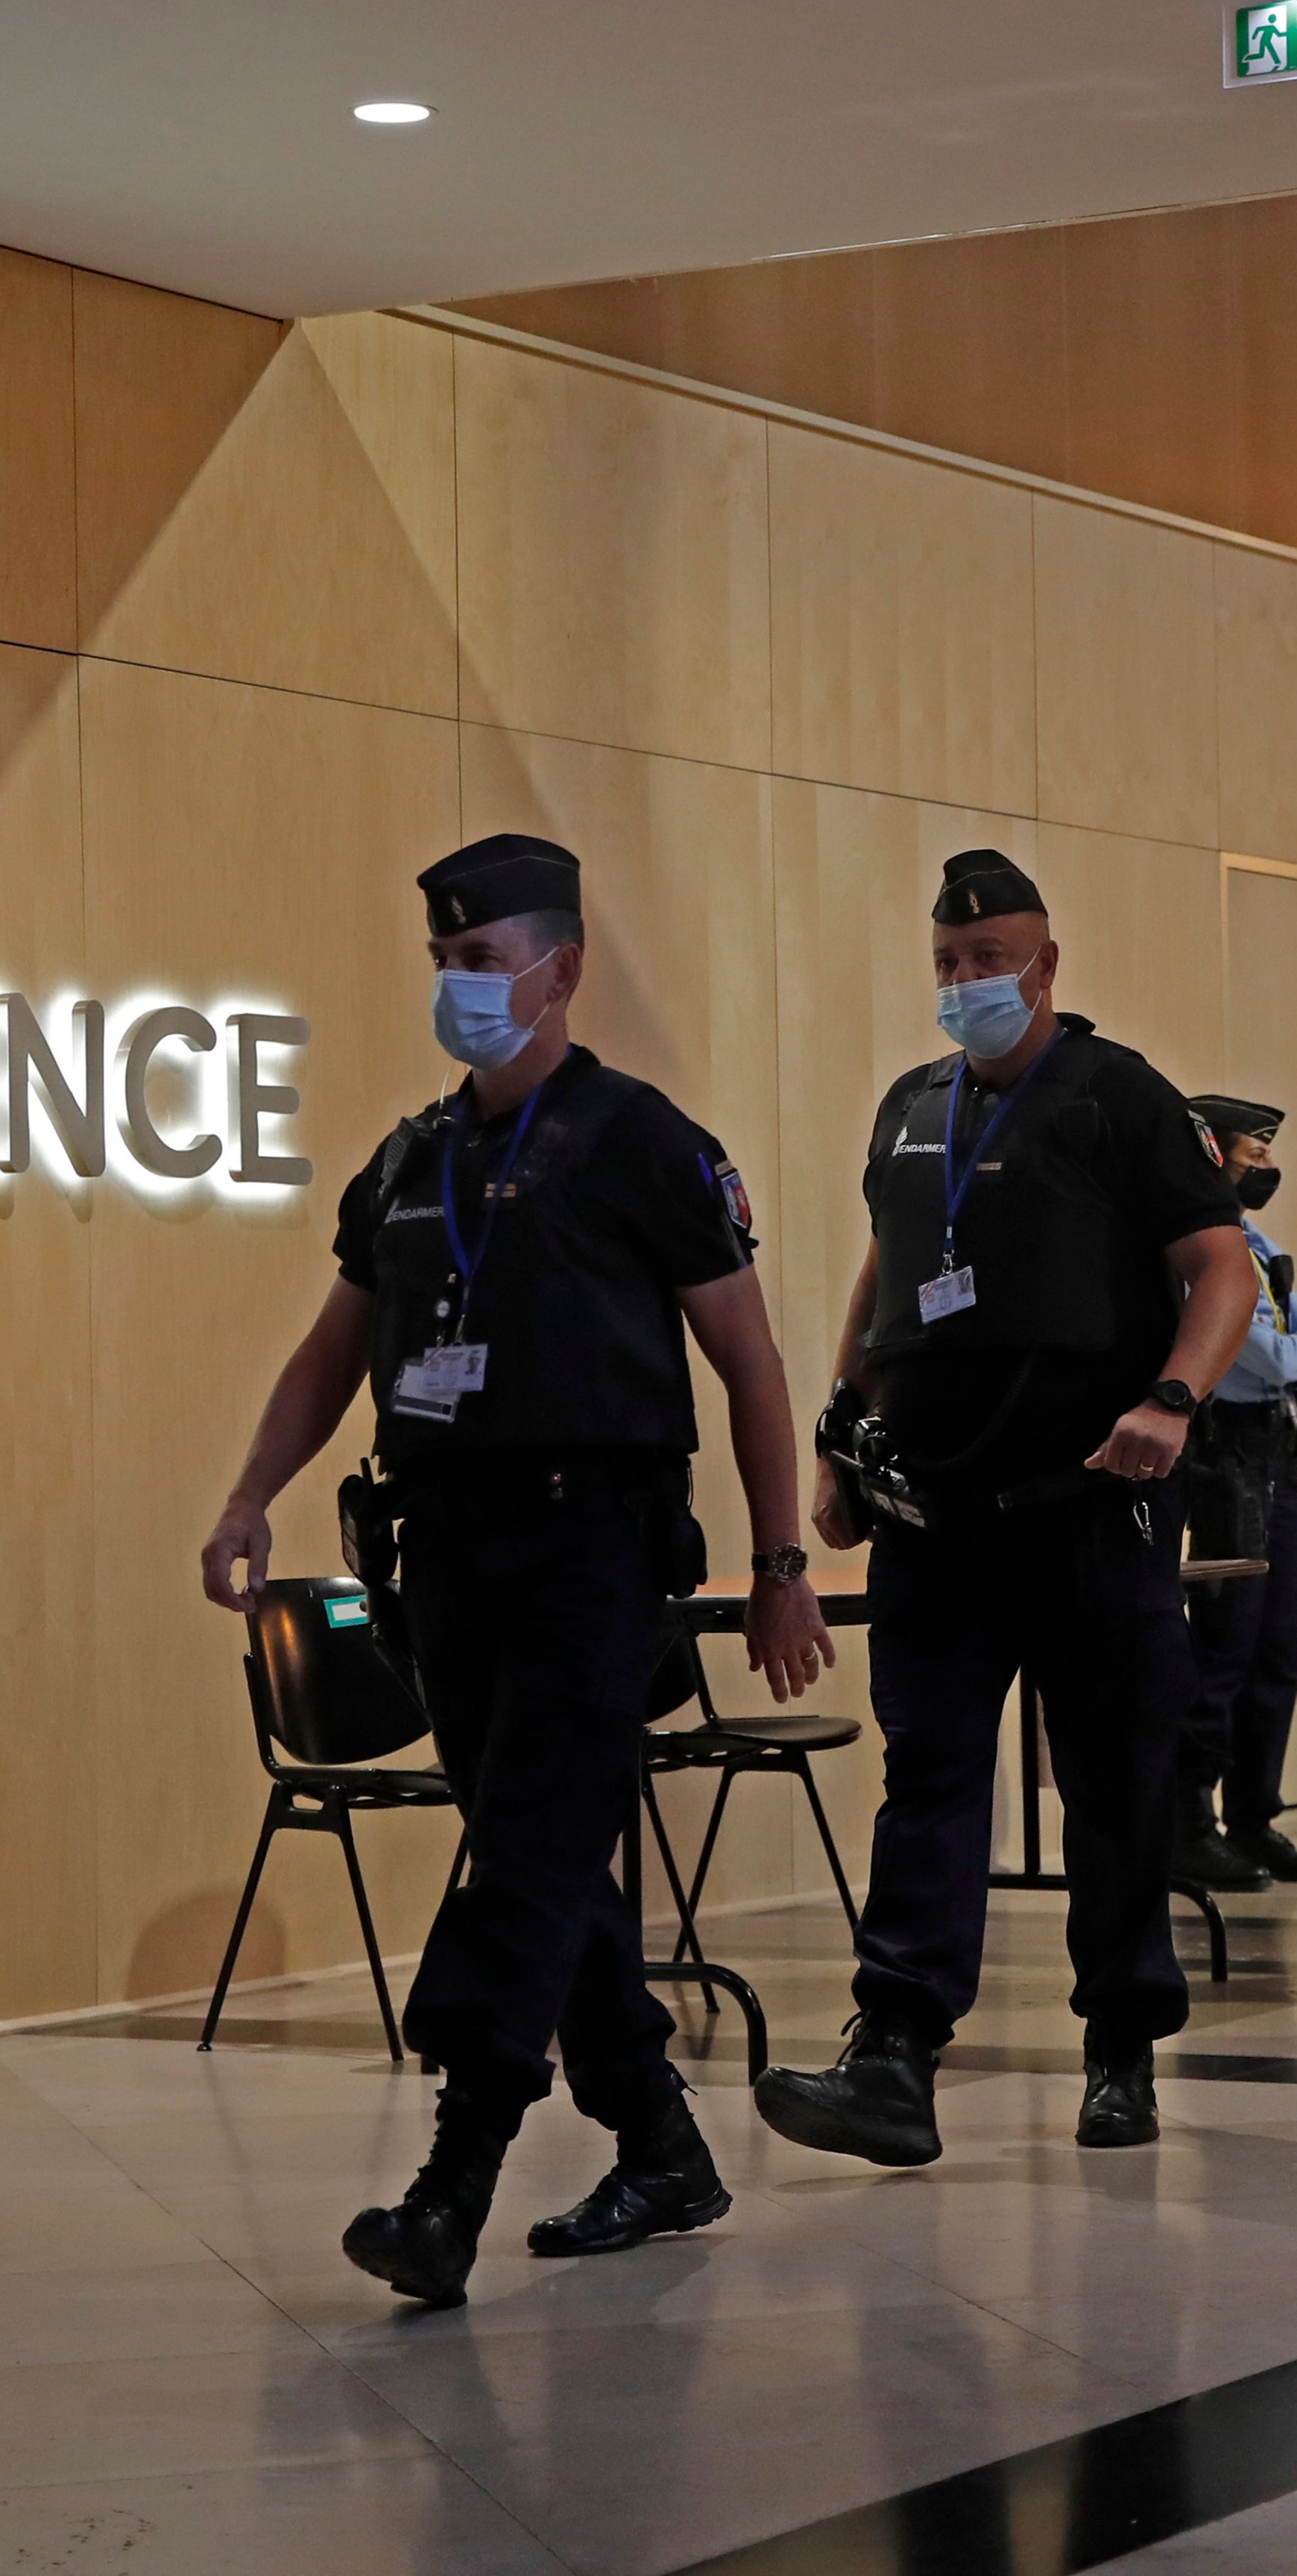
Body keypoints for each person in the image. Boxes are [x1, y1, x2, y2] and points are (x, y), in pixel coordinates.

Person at [198, 833, 831, 2308]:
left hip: (591, 1549)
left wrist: (779, 1559)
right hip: (446, 1559)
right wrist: (249, 1492)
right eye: (440, 962)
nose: (456, 987)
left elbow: (746, 1362)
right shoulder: (413, 1160)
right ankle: (663, 2145)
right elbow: (330, 1349)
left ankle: (451, 2181)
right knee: (553, 1865)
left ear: (559, 968)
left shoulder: (642, 1142)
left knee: (531, 1854)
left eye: (478, 962)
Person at [754, 848, 1252, 2164]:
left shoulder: (1119, 1095)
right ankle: (896, 2053)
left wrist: (1173, 1400)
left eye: (990, 960)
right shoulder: (912, 1105)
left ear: (1045, 965)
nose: (968, 981)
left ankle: (1120, 2047)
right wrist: (836, 1449)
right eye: (948, 964)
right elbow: (883, 1281)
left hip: (1093, 1503)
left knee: (1112, 1780)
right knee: (926, 1773)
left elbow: (1220, 1264)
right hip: (937, 1513)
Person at [1171, 1094, 1297, 1892]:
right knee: (1223, 1646)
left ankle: (1253, 1817)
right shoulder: (1199, 1249)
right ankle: (1189, 1821)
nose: (1265, 1167)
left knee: (1276, 1649)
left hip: (1276, 1452)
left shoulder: (1257, 1241)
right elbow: (1268, 1358)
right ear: (1215, 1154)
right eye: (1253, 1153)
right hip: (1223, 1458)